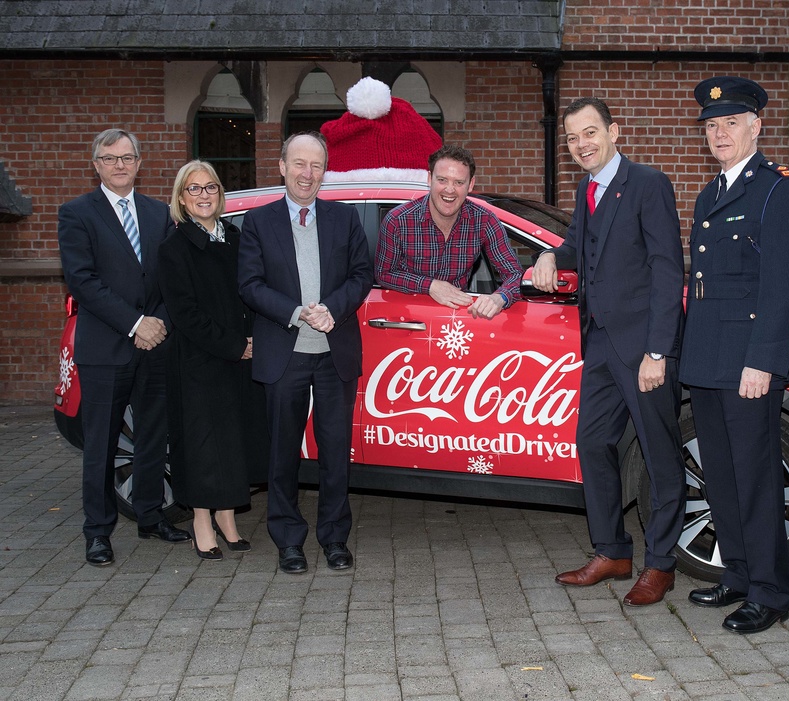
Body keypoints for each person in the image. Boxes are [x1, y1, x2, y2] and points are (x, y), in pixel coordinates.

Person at [533, 97, 687, 606]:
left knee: (660, 455)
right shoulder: (586, 188)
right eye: (573, 137)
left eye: (590, 133)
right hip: (598, 342)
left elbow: (667, 269)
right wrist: (551, 252)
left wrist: (658, 352)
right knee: (593, 442)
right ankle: (612, 552)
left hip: (643, 348)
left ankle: (660, 565)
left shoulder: (648, 184)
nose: (582, 145)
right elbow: (579, 245)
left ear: (614, 131)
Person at [680, 78, 789, 634]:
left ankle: (769, 592)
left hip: (748, 362)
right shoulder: (710, 193)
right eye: (711, 126)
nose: (719, 134)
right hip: (707, 358)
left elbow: (783, 286)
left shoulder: (777, 189)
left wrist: (764, 362)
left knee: (756, 478)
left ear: (756, 126)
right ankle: (735, 573)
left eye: (730, 123)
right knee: (721, 477)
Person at [238, 133, 373, 574]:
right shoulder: (258, 222)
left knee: (336, 452)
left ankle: (335, 538)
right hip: (284, 351)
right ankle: (288, 540)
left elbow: (362, 273)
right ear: (282, 166)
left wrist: (332, 308)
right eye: (299, 164)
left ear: (324, 171)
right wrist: (297, 312)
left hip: (335, 353)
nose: (306, 174)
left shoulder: (344, 218)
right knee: (283, 454)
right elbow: (251, 285)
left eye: (315, 166)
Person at [58, 128, 190, 567]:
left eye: (127, 157)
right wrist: (136, 323)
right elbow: (83, 281)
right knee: (102, 443)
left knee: (153, 435)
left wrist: (159, 325)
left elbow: (174, 279)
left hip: (156, 344)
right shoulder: (77, 213)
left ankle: (151, 515)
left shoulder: (158, 213)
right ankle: (98, 531)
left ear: (139, 163)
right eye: (110, 158)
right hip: (106, 347)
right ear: (96, 165)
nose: (119, 165)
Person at [158, 160, 269, 560]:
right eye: (194, 189)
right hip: (200, 361)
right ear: (182, 199)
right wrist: (234, 345)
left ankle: (227, 517)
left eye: (210, 188)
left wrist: (254, 339)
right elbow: (185, 314)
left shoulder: (236, 238)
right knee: (203, 446)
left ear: (219, 194)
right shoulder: (174, 248)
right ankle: (201, 520)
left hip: (241, 358)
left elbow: (252, 291)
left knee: (233, 441)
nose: (203, 195)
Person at [375, 144, 523, 319]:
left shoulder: (484, 221)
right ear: (430, 179)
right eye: (442, 180)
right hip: (407, 321)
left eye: (459, 182)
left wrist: (500, 298)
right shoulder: (398, 220)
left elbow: (515, 275)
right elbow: (383, 274)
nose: (450, 190)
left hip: (457, 323)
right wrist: (430, 286)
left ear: (471, 184)